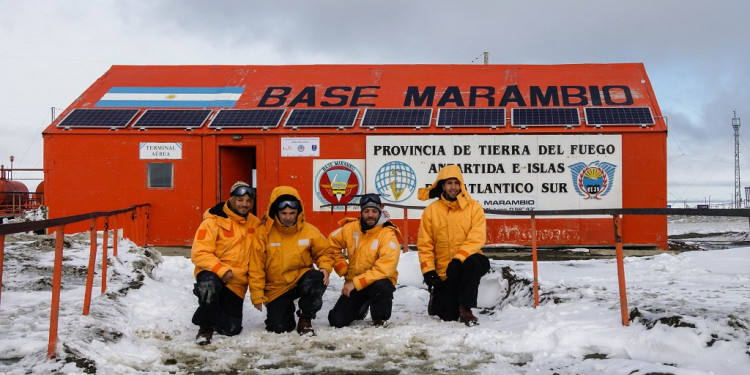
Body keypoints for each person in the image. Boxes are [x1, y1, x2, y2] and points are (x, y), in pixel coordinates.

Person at [248, 186, 334, 335]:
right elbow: (256, 266)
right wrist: (256, 294)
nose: (288, 217)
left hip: (301, 278)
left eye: (292, 213)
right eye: (284, 213)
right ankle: (283, 311)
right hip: (276, 287)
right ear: (276, 211)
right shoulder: (263, 233)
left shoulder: (310, 231)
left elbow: (324, 252)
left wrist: (325, 267)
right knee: (279, 328)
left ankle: (305, 318)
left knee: (316, 278)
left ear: (298, 212)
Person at [417, 165, 490, 326]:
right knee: (447, 315)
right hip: (445, 271)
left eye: (457, 183)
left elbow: (476, 238)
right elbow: (425, 244)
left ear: (461, 185)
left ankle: (466, 309)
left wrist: (458, 259)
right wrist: (428, 270)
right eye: (449, 183)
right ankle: (437, 296)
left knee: (473, 263)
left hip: (469, 261)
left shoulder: (474, 208)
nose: (453, 187)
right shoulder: (431, 211)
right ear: (442, 185)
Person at [190, 181, 260, 345]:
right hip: (212, 273)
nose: (244, 204)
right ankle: (205, 327)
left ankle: (216, 306)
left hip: (237, 281)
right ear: (231, 199)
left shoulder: (255, 224)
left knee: (230, 329)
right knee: (209, 285)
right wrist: (221, 270)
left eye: (248, 201)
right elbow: (199, 253)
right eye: (240, 199)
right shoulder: (212, 221)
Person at [327, 193, 402, 328]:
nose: (370, 215)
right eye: (366, 211)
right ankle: (362, 305)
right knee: (336, 320)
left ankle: (380, 317)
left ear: (380, 211)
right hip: (355, 281)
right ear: (361, 212)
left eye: (374, 211)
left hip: (377, 281)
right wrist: (342, 268)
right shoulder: (351, 228)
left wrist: (355, 284)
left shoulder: (388, 234)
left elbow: (385, 269)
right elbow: (330, 244)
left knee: (382, 286)